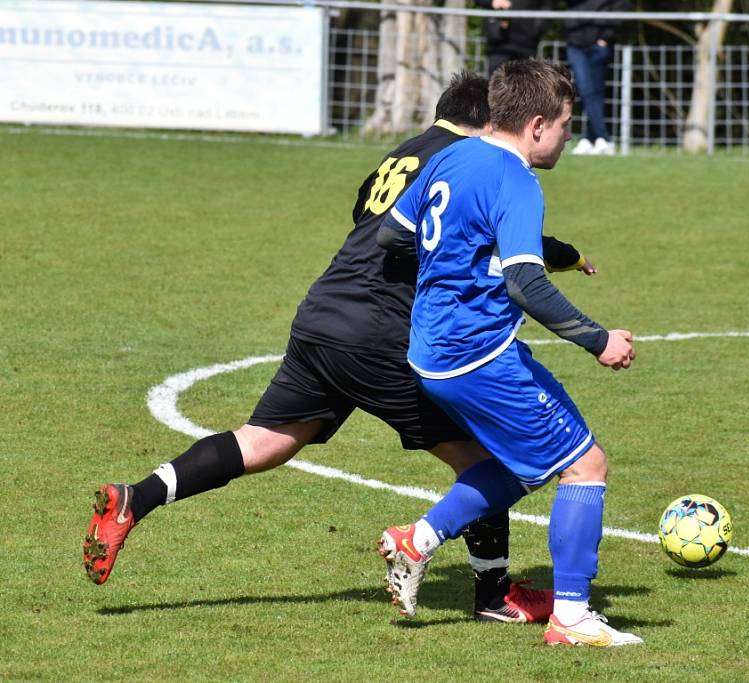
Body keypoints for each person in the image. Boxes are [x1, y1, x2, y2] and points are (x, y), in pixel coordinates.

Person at [82, 71, 596, 624]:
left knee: (267, 441)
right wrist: (561, 255)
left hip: (324, 316)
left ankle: (137, 498)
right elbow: (477, 234)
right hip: (381, 335)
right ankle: (494, 597)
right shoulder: (470, 158)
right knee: (489, 458)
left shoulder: (405, 155)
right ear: (482, 123)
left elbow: (376, 224)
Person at [376, 59, 642, 646]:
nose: (570, 136)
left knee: (521, 466)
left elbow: (391, 234)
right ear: (539, 123)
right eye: (568, 125)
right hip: (479, 356)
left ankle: (415, 540)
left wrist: (461, 261)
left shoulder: (450, 155)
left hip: (430, 352)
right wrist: (600, 340)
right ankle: (571, 618)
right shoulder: (516, 179)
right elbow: (526, 283)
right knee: (585, 464)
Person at [565, 0, 627, 156]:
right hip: (576, 43)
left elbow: (620, 9)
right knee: (587, 91)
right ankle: (597, 138)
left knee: (594, 92)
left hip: (599, 44)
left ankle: (597, 138)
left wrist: (606, 37)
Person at [474, 0, 553, 75]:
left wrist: (537, 29)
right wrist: (492, 1)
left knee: (526, 83)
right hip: (499, 45)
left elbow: (548, 6)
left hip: (527, 44)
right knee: (497, 83)